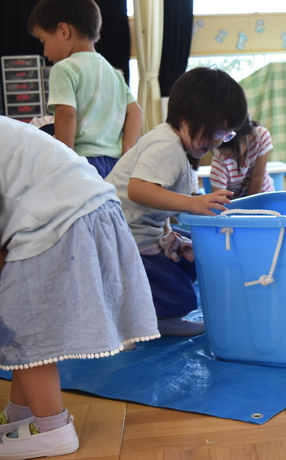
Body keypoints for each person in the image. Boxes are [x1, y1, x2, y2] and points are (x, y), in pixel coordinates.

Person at [0, 88, 159, 458]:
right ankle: (23, 413)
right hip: (85, 208)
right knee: (22, 326)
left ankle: (52, 427)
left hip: (64, 219)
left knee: (21, 322)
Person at [105, 67, 246, 336]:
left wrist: (171, 233)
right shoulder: (166, 145)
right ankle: (158, 318)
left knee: (196, 248)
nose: (217, 141)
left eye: (225, 135)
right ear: (186, 116)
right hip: (124, 238)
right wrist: (192, 203)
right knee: (180, 293)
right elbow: (138, 190)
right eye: (216, 131)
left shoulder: (178, 146)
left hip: (139, 230)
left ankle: (152, 306)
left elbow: (158, 205)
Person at [28, 0, 143, 178]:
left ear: (64, 31)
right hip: (114, 166)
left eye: (44, 41)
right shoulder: (114, 73)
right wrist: (127, 152)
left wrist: (63, 161)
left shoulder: (64, 69)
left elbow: (66, 114)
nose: (45, 52)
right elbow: (136, 112)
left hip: (83, 164)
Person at [209, 117, 274, 198]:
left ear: (248, 136)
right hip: (236, 205)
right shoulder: (219, 161)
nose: (225, 153)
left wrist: (251, 209)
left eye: (231, 151)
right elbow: (220, 199)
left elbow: (258, 176)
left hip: (262, 196)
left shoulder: (260, 135)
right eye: (221, 149)